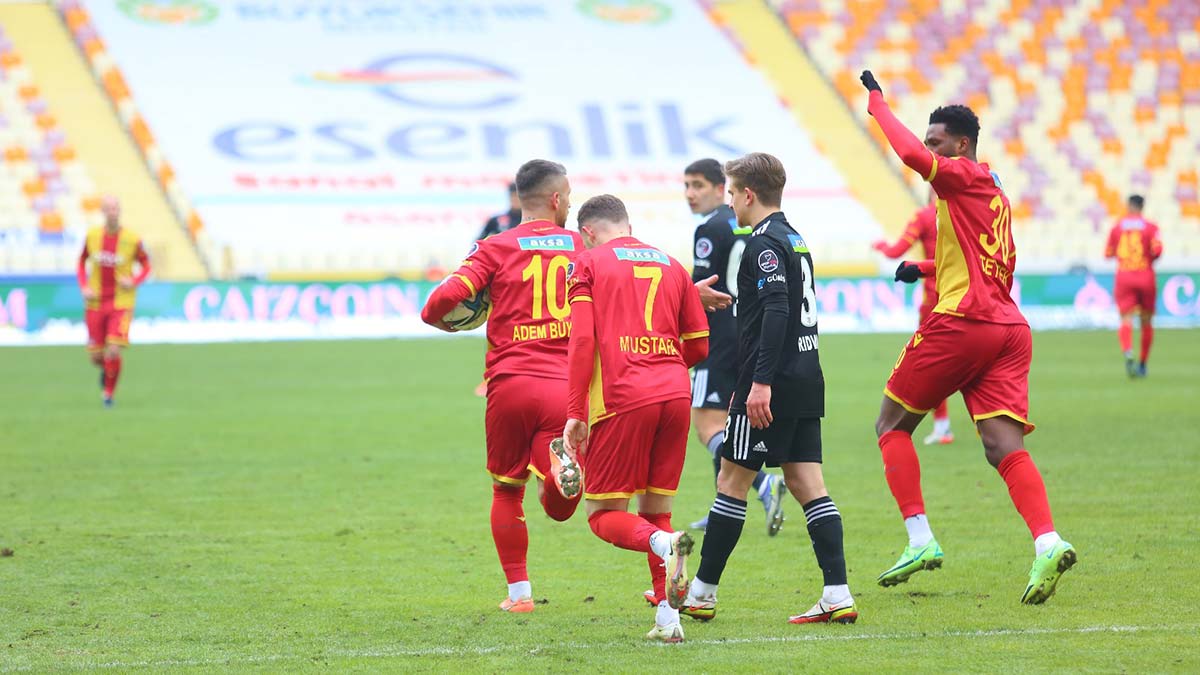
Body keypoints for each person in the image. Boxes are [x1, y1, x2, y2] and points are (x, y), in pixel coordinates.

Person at [860, 70, 1075, 604]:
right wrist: (927, 268)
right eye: (930, 140)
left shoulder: (957, 175)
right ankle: (1047, 541)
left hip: (964, 324)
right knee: (1003, 445)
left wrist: (878, 107)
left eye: (938, 141)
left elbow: (910, 156)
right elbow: (987, 261)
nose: (931, 149)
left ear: (961, 145)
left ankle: (920, 540)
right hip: (1008, 327)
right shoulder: (991, 186)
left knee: (890, 425)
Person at [680, 152, 856, 625]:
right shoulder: (794, 239)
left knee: (731, 482)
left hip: (769, 386)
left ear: (749, 194)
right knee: (806, 483)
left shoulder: (762, 243)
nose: (730, 200)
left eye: (733, 192)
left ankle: (700, 592)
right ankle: (837, 593)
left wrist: (758, 384)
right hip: (805, 378)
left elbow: (777, 309)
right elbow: (776, 305)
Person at [420, 159, 584, 614]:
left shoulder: (495, 247)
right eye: (568, 196)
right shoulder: (584, 245)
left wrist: (453, 322)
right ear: (555, 199)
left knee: (506, 490)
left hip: (510, 383)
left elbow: (437, 305)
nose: (570, 203)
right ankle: (556, 474)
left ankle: (520, 596)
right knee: (557, 502)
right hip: (567, 386)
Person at [561, 194, 710, 643]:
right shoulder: (672, 264)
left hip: (623, 397)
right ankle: (669, 621)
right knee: (657, 509)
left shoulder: (586, 265)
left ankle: (665, 548)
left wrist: (574, 412)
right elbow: (700, 345)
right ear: (626, 224)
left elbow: (582, 341)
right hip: (675, 394)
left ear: (587, 232)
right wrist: (662, 366)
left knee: (603, 514)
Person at [683, 158, 785, 535]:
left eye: (698, 185)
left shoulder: (710, 229)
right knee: (726, 420)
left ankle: (762, 483)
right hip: (750, 332)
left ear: (717, 188)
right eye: (687, 186)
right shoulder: (754, 226)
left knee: (706, 423)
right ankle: (722, 503)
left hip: (718, 335)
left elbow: (699, 290)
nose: (690, 194)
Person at [872, 200, 954, 445]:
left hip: (935, 299)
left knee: (932, 363)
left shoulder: (926, 216)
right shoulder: (966, 213)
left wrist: (882, 246)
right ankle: (986, 426)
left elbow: (897, 251)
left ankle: (942, 425)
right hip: (965, 296)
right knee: (970, 361)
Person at [77, 195, 150, 407]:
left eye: (116, 208)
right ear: (102, 212)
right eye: (108, 209)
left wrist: (134, 280)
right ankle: (108, 369)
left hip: (121, 303)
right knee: (96, 357)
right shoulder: (92, 236)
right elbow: (81, 262)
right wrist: (85, 286)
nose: (113, 212)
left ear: (120, 211)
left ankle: (108, 395)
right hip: (96, 303)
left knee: (113, 349)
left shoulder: (132, 239)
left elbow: (146, 266)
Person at [1104, 195, 1162, 378]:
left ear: (1129, 206)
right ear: (1142, 207)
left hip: (1124, 276)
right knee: (1146, 321)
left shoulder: (1117, 227)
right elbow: (1158, 250)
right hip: (1146, 276)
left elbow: (1108, 253)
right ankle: (1143, 363)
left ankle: (1128, 351)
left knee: (1126, 319)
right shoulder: (1151, 227)